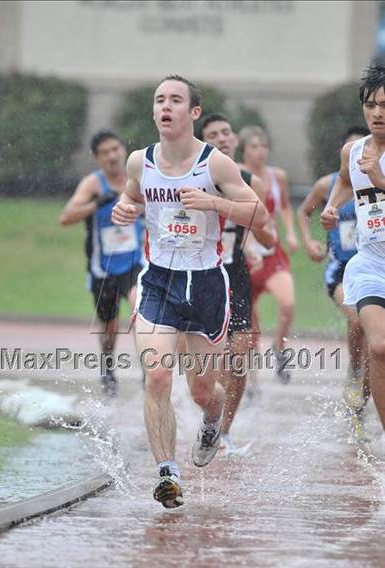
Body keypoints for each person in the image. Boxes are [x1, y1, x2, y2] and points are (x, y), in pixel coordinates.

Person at [112, 75, 269, 508]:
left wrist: (215, 203)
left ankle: (212, 420)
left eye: (175, 100)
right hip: (159, 279)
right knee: (158, 375)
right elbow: (130, 200)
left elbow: (259, 213)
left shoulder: (214, 163)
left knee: (203, 390)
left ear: (193, 112)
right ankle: (167, 474)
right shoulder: (138, 162)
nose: (166, 107)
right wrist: (125, 210)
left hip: (205, 284)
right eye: (159, 100)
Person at [198, 112, 275, 453]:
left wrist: (257, 242)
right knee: (209, 364)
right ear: (202, 141)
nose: (222, 138)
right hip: (202, 277)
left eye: (226, 132)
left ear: (235, 139)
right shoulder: (192, 177)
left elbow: (268, 234)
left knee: (240, 355)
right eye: (213, 134)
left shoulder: (249, 180)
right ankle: (210, 420)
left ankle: (224, 431)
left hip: (236, 276)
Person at [321, 58, 385, 454]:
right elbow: (346, 181)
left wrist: (382, 180)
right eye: (371, 105)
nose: (377, 113)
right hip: (371, 263)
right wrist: (331, 207)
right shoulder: (354, 151)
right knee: (378, 347)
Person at [60, 130, 144, 396]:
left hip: (135, 262)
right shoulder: (93, 184)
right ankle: (108, 368)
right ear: (97, 158)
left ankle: (149, 370)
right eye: (105, 152)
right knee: (109, 327)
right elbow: (67, 217)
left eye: (115, 149)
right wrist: (97, 204)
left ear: (123, 151)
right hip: (103, 267)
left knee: (139, 311)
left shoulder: (137, 179)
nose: (112, 156)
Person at [298, 126, 370, 419]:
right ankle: (354, 369)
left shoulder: (377, 182)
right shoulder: (327, 185)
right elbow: (304, 212)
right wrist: (309, 241)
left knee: (374, 338)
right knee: (356, 316)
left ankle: (363, 398)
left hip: (372, 264)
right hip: (340, 270)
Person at [239, 125, 298, 385]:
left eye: (264, 146)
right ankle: (250, 381)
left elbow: (284, 206)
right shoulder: (236, 175)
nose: (260, 152)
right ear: (244, 149)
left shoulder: (277, 177)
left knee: (287, 303)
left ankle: (279, 348)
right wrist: (248, 246)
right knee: (250, 326)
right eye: (254, 147)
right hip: (245, 257)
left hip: (272, 253)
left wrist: (291, 233)